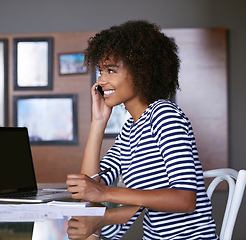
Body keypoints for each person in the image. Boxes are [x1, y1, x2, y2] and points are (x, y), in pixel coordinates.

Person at [66, 20, 218, 239]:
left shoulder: (165, 115)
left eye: (111, 70)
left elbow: (185, 200)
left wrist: (104, 192)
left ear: (141, 71)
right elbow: (93, 186)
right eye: (100, 71)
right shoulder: (130, 129)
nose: (100, 81)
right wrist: (98, 123)